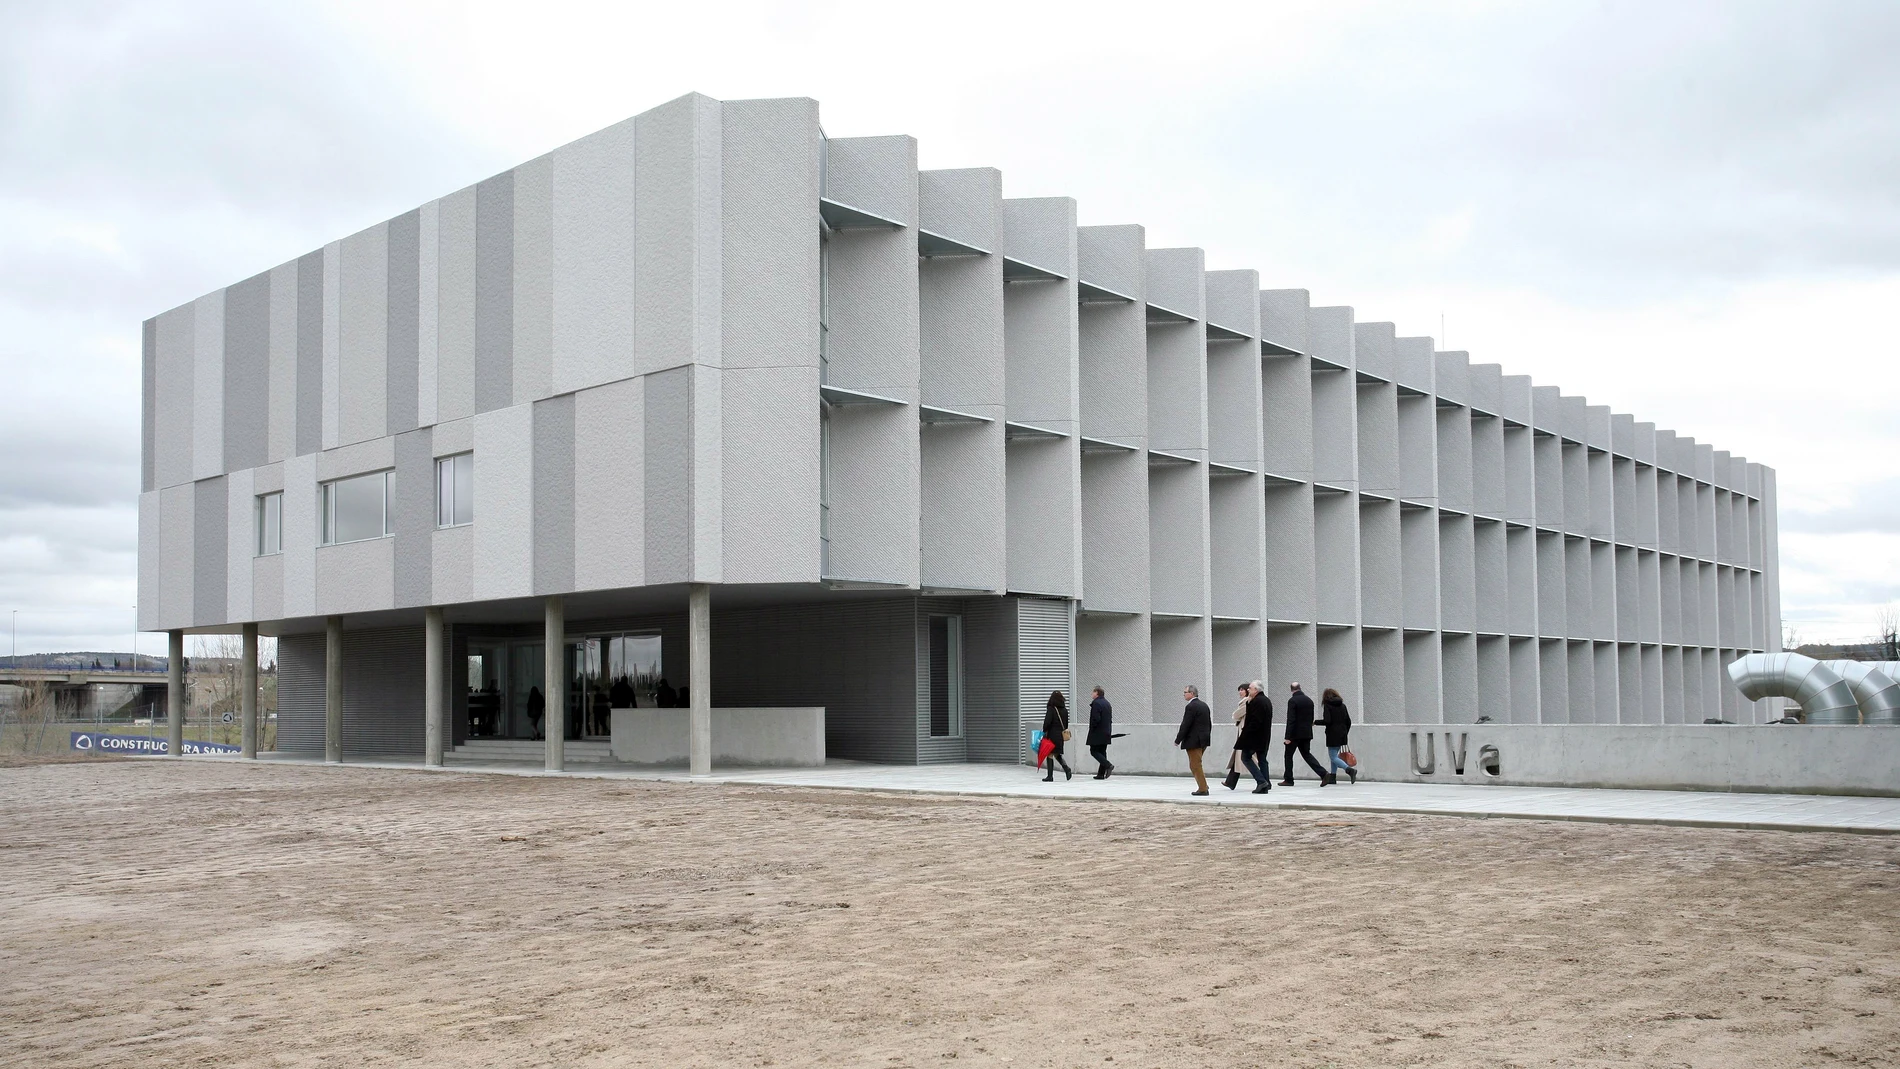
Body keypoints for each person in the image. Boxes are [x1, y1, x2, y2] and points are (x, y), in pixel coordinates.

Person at [1281, 681, 1329, 785]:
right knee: (1307, 754)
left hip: (1294, 734)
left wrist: (1287, 736)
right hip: (1306, 733)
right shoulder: (1309, 701)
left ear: (1291, 690)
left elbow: (1291, 719)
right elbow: (1310, 718)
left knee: (1288, 756)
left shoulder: (1292, 701)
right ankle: (1323, 773)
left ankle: (1288, 779)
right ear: (1300, 688)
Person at [1174, 685, 1213, 796]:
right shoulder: (1204, 705)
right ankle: (1203, 784)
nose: (1184, 694)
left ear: (1192, 693)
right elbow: (1209, 724)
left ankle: (1203, 788)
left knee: (1195, 764)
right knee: (1195, 764)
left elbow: (1186, 724)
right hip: (1203, 740)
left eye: (1185, 692)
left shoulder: (1191, 706)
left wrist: (1178, 739)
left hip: (1194, 740)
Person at [1237, 679, 1274, 793]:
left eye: (1250, 688)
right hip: (1264, 736)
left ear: (1256, 690)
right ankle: (1265, 783)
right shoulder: (1266, 700)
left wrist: (1245, 735)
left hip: (1254, 737)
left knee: (1245, 757)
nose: (1248, 690)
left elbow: (1254, 721)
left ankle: (1261, 781)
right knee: (1262, 759)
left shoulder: (1257, 702)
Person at [1317, 686, 1355, 784]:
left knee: (1333, 757)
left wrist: (1316, 722)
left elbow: (1327, 721)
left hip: (1332, 734)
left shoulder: (1327, 706)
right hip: (1342, 734)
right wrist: (1345, 732)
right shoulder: (1343, 705)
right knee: (1334, 756)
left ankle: (1349, 770)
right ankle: (1333, 777)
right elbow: (1348, 721)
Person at [1222, 683, 1251, 791]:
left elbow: (1236, 715)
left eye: (1242, 690)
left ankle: (1263, 780)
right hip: (1242, 733)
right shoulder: (1246, 701)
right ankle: (1230, 782)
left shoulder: (1246, 701)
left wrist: (1235, 716)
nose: (1240, 692)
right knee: (1238, 758)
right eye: (1239, 690)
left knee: (1249, 759)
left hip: (1244, 734)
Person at [1040, 690, 1073, 781]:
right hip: (1060, 736)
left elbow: (1047, 723)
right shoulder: (1065, 710)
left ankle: (1050, 776)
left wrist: (1044, 731)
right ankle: (1066, 768)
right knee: (1057, 753)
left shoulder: (1051, 709)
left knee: (1050, 754)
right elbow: (1066, 724)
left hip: (1051, 735)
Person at [1086, 686, 1114, 779]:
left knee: (1093, 751)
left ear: (1097, 693)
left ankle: (1108, 765)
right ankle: (1101, 774)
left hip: (1097, 732)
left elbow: (1095, 718)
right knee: (1102, 751)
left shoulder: (1096, 703)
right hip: (1106, 731)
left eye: (1093, 692)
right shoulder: (1107, 703)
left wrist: (1092, 729)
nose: (1091, 694)